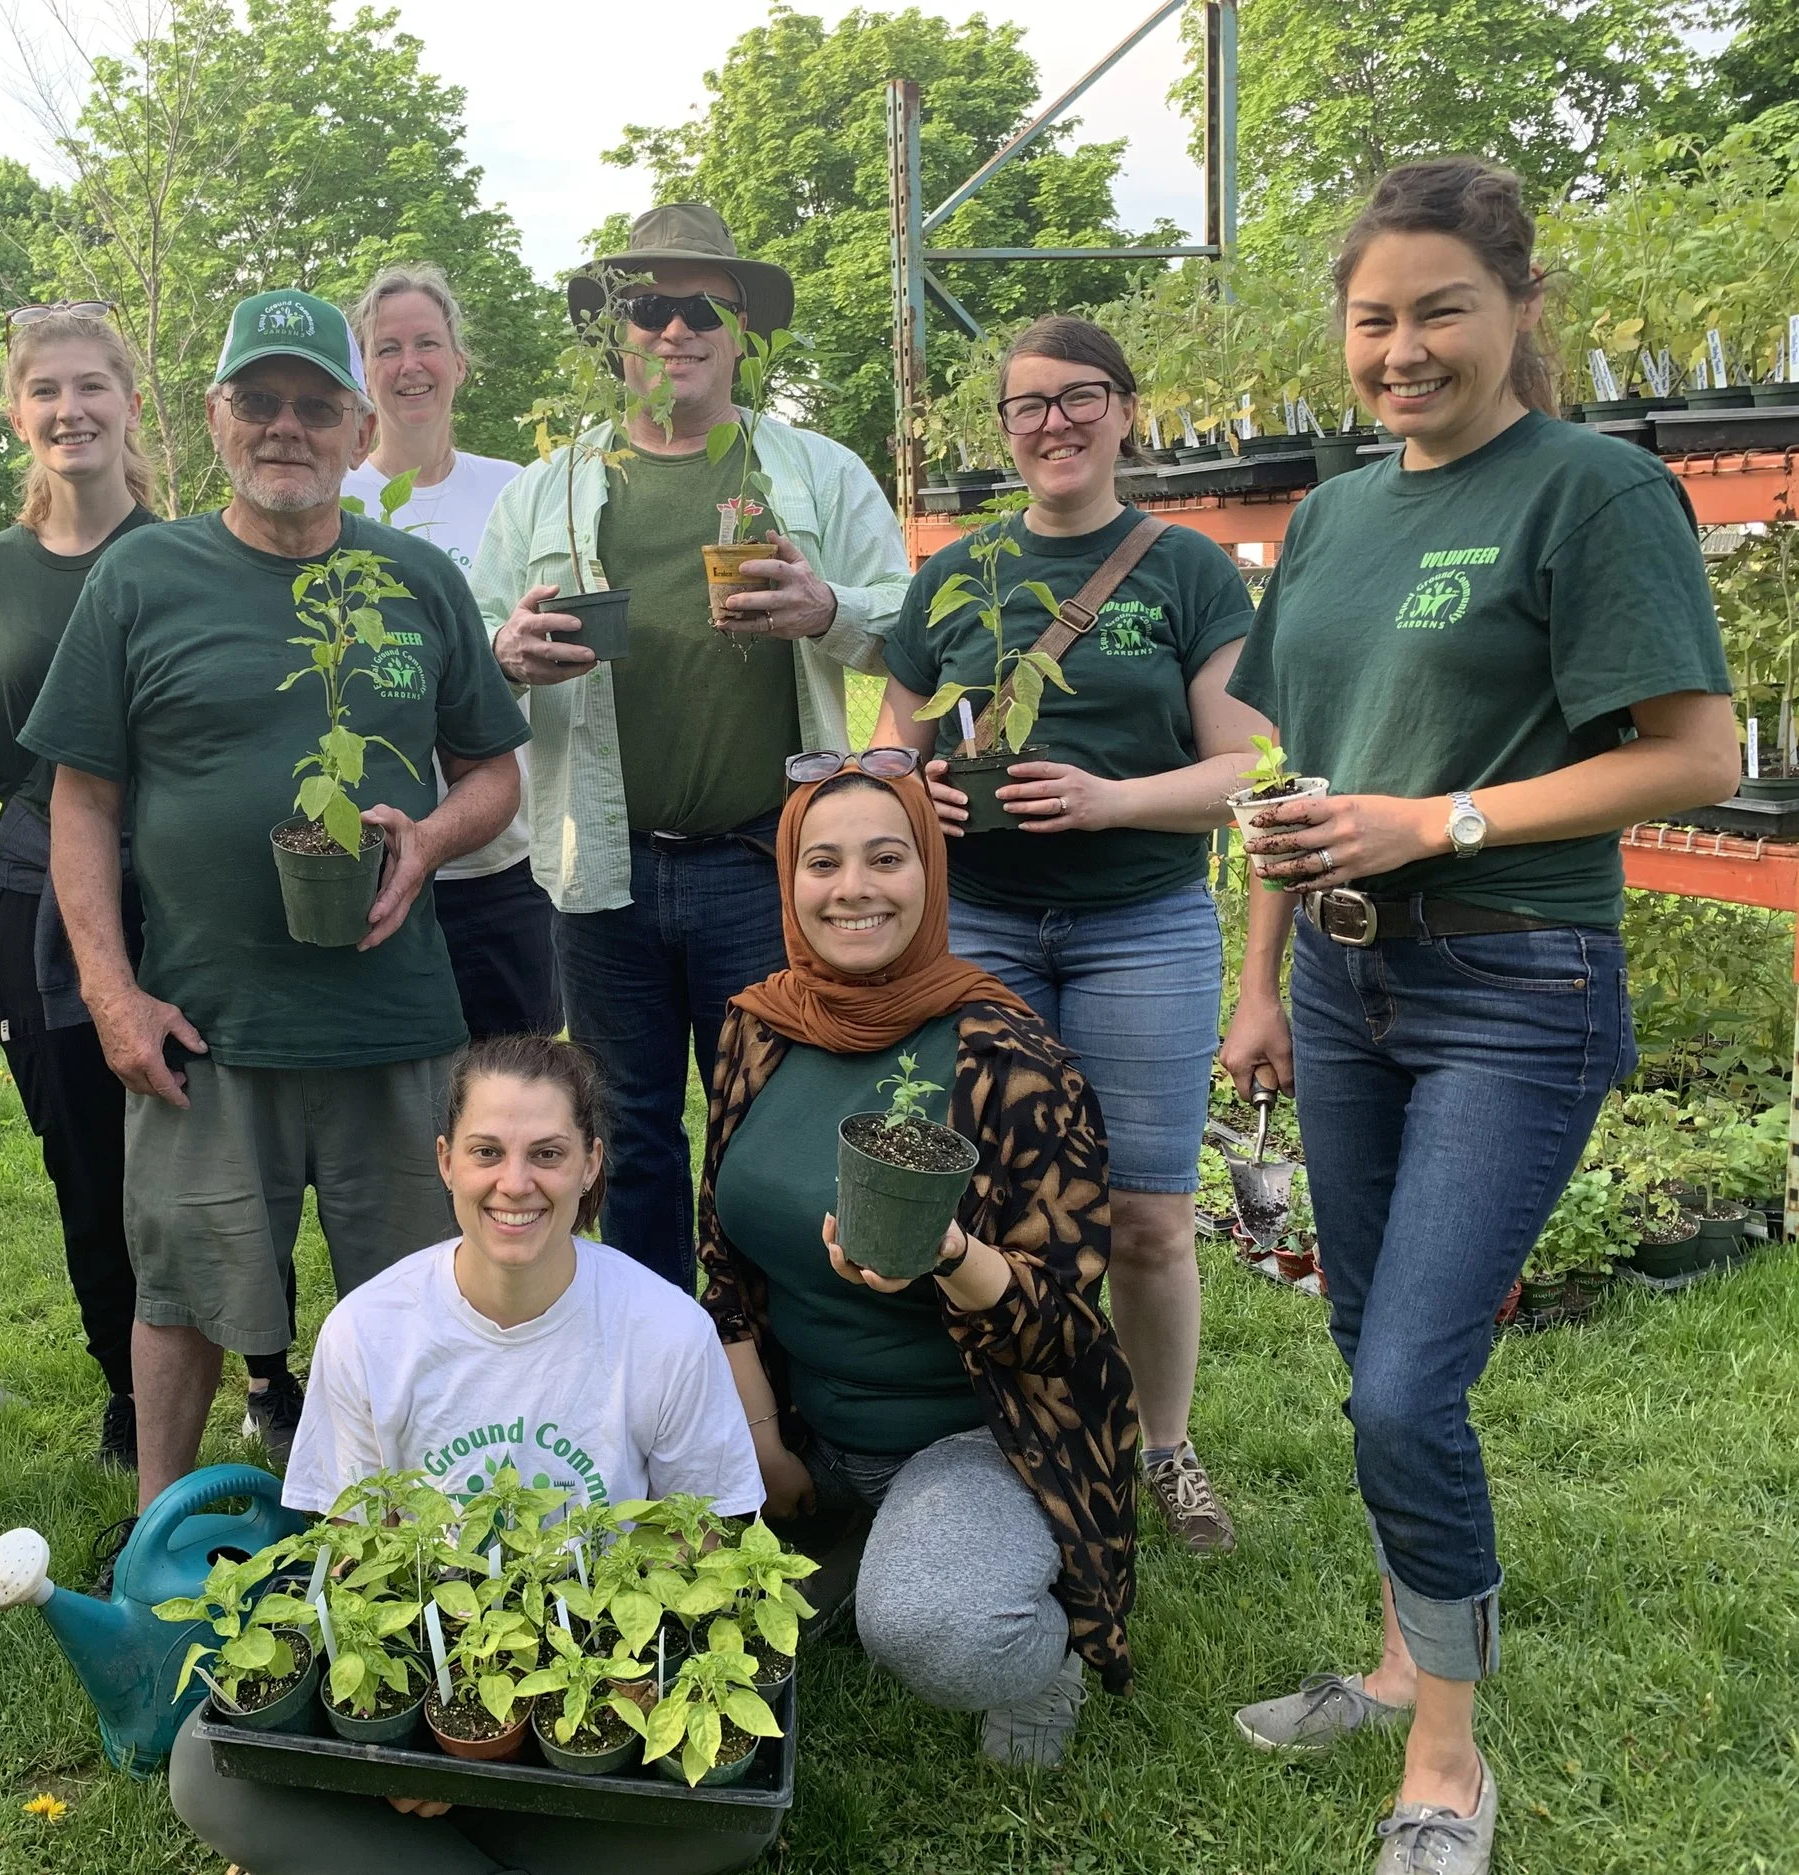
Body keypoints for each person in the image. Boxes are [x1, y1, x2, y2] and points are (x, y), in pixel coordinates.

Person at [1218, 159, 1734, 1875]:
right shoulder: (1339, 520)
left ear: (1520, 308)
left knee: (1405, 1389)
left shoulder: (1594, 492)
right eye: (1375, 319)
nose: (1405, 348)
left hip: (1516, 982)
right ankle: (1391, 1659)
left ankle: (1447, 1761)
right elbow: (1301, 776)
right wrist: (1260, 982)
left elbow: (1694, 757)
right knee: (1370, 1356)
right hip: (1346, 982)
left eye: (1442, 308)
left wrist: (1433, 823)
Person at [23, 288, 530, 1510]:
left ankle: (429, 1525)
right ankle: (161, 1526)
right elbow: (80, 801)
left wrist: (432, 841)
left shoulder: (411, 580)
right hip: (207, 1026)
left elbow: (493, 771)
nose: (284, 429)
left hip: (394, 1023)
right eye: (259, 403)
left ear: (361, 433)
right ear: (215, 420)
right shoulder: (145, 578)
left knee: (426, 1294)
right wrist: (111, 992)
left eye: (315, 406)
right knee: (186, 1289)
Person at [168, 1034, 773, 1875]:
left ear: (592, 1164)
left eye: (549, 1154)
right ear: (446, 1160)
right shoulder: (372, 1330)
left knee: (734, 1814)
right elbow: (351, 1555)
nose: (515, 1183)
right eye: (487, 1151)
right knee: (207, 1771)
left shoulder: (664, 1331)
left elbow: (707, 1545)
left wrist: (586, 1710)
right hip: (436, 1662)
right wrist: (414, 1742)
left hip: (597, 1677)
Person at [872, 314, 1271, 1555]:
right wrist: (910, 791)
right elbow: (893, 740)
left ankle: (1165, 1444)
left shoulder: (1184, 569)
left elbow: (1251, 763)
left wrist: (1109, 800)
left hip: (1140, 923)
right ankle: (1013, 1423)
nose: (1054, 423)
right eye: (1027, 404)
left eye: (1079, 397)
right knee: (994, 1201)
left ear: (1124, 410)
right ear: (1002, 428)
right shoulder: (955, 576)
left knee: (1148, 1215)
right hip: (983, 917)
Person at [472, 203, 911, 1290]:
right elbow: (470, 646)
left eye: (702, 306)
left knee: (760, 1119)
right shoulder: (552, 488)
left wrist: (827, 608)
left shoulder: (812, 473)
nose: (676, 329)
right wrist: (508, 650)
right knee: (627, 1134)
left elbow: (915, 623)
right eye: (649, 307)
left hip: (762, 860)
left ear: (741, 328)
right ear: (614, 333)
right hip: (600, 866)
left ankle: (759, 1352)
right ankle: (658, 1350)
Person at [699, 757, 1137, 1768]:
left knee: (936, 1627)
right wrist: (762, 1445)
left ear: (932, 873)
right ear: (789, 882)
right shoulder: (758, 1029)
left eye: (886, 858)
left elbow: (1064, 1332)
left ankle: (1044, 1641)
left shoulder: (1012, 1058)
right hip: (806, 1426)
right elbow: (722, 1260)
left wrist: (951, 1255)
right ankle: (852, 1531)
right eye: (823, 861)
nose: (853, 888)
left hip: (980, 1434)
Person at [0, 304, 159, 1468]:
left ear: (128, 403)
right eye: (46, 390)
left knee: (211, 1145)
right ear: (19, 412)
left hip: (173, 892)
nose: (70, 410)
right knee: (85, 1156)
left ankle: (263, 1367)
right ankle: (127, 1388)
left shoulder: (182, 553)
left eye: (91, 386)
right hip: (34, 894)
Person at [342, 263, 558, 1043]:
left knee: (514, 1088)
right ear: (362, 373)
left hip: (500, 866)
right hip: (360, 863)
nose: (410, 366)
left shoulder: (520, 492)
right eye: (386, 348)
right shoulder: (330, 507)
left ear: (460, 362)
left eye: (428, 343)